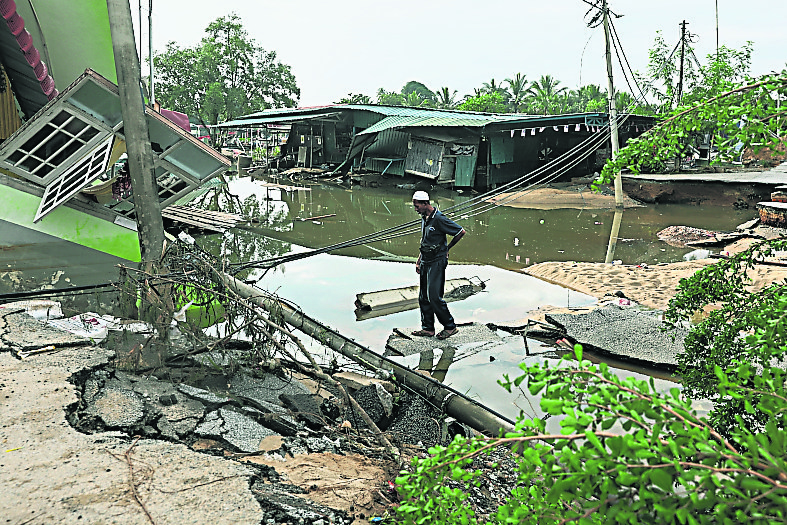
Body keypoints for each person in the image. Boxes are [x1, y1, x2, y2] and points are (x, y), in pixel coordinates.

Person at [410, 190, 466, 340]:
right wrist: (418, 260)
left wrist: (447, 249)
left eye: (417, 206)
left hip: (437, 261)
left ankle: (450, 326)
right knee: (423, 296)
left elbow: (460, 232)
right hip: (426, 260)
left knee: (434, 296)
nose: (415, 209)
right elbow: (425, 241)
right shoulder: (424, 217)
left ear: (425, 204)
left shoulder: (439, 218)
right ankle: (428, 328)